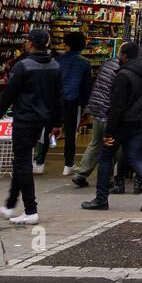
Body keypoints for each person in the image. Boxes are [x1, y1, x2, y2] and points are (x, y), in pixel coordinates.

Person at [82, 42, 142, 212]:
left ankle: (101, 198)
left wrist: (109, 131)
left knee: (105, 158)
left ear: (125, 55)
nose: (119, 57)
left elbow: (117, 106)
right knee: (135, 157)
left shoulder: (124, 75)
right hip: (139, 121)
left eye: (120, 53)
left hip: (122, 123)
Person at [0, 27, 61, 226]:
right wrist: (57, 123)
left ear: (31, 43)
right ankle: (10, 204)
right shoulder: (54, 66)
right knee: (21, 162)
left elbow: (8, 95)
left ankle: (31, 210)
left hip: (24, 119)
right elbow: (59, 97)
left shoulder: (23, 66)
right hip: (42, 121)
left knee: (22, 163)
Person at [34, 30, 92, 176]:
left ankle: (40, 163)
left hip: (53, 101)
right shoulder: (85, 63)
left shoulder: (56, 61)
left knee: (46, 131)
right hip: (73, 102)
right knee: (71, 134)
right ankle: (68, 165)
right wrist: (85, 105)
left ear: (68, 46)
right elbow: (86, 88)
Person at [71, 49, 123, 191]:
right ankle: (108, 178)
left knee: (95, 143)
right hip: (108, 111)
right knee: (110, 145)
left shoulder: (107, 64)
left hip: (96, 108)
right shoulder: (122, 69)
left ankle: (81, 174)